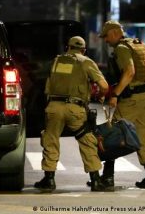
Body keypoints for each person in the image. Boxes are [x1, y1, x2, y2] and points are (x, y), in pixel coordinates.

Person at [34, 36, 110, 192]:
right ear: (83, 50)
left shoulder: (56, 61)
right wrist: (100, 94)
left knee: (50, 140)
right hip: (75, 108)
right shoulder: (86, 62)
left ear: (67, 47)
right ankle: (95, 180)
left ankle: (49, 179)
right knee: (87, 140)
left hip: (54, 107)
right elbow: (104, 85)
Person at [99, 20, 145, 189]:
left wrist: (116, 93)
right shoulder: (140, 45)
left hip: (132, 98)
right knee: (142, 136)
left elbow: (130, 71)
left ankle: (108, 177)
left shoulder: (122, 48)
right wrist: (142, 84)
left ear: (113, 33)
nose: (105, 40)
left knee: (114, 132)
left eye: (105, 36)